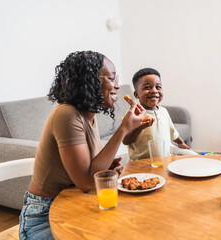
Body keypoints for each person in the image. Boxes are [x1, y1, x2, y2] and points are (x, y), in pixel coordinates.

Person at [19, 51, 146, 240]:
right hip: (44, 215)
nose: (118, 85)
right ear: (90, 80)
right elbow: (86, 182)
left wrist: (107, 167)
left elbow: (89, 171)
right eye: (112, 79)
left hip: (75, 203)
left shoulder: (88, 115)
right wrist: (124, 128)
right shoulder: (67, 114)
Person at [122, 67, 190, 161]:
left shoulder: (164, 111)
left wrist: (181, 142)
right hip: (140, 164)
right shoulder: (132, 114)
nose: (154, 91)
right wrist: (140, 127)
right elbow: (126, 140)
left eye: (158, 87)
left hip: (165, 161)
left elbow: (172, 131)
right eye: (147, 87)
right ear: (136, 94)